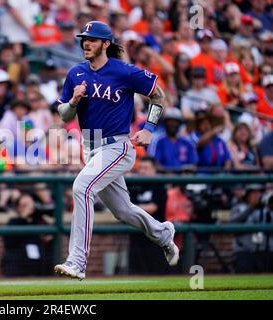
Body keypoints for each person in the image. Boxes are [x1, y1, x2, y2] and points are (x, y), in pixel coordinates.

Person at [53, 21, 179, 280]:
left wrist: (149, 129)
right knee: (123, 211)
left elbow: (159, 95)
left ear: (106, 44)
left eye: (92, 39)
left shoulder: (123, 71)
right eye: (84, 39)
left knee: (82, 188)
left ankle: (77, 261)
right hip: (91, 148)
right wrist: (74, 101)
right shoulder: (76, 73)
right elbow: (64, 115)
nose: (86, 43)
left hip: (117, 146)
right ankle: (162, 233)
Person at [128, 156, 170, 274]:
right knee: (136, 271)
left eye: (146, 168)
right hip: (137, 233)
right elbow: (126, 207)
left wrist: (134, 209)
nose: (142, 171)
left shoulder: (159, 186)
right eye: (140, 168)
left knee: (156, 269)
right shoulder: (134, 185)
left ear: (154, 170)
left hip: (155, 235)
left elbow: (153, 208)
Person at [1, 194, 53, 277]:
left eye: (30, 204)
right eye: (24, 205)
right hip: (19, 262)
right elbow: (8, 243)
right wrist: (22, 218)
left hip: (39, 262)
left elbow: (50, 237)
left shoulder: (39, 220)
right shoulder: (14, 222)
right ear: (18, 208)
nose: (28, 208)